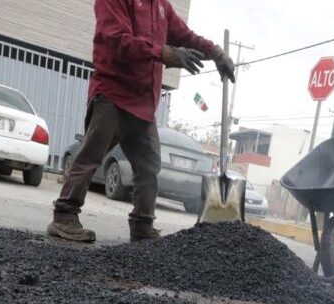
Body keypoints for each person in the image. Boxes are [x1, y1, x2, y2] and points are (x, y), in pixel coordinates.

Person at [49, 0, 235, 243]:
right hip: (113, 95)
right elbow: (117, 40)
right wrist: (164, 52)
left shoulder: (161, 6)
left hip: (143, 104)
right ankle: (64, 216)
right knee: (90, 156)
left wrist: (216, 53)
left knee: (148, 168)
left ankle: (142, 226)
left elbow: (186, 36)